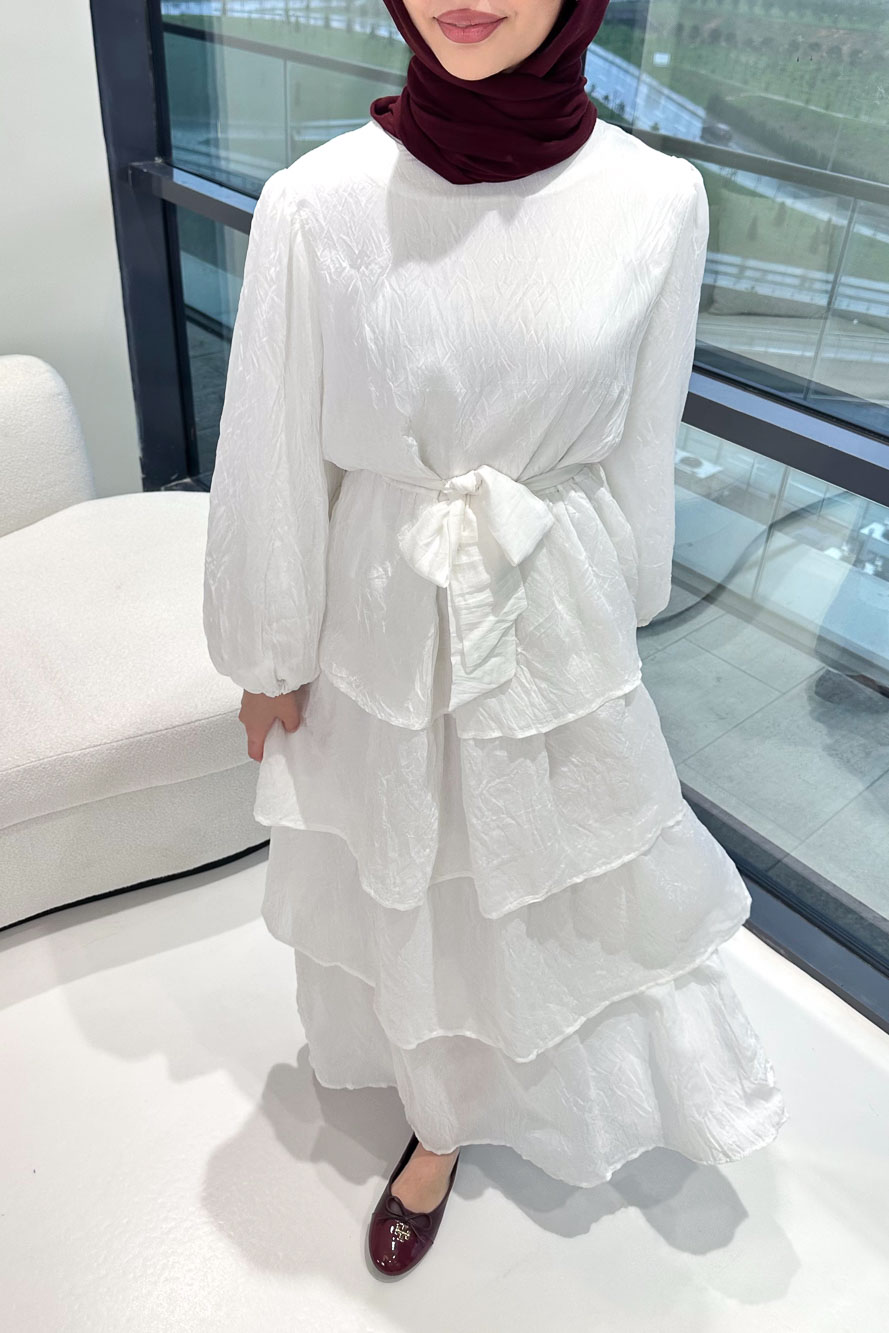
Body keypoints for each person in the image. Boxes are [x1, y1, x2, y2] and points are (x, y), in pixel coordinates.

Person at [202, 0, 789, 1279]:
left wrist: (623, 598)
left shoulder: (657, 200)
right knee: (411, 864)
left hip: (552, 598)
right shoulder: (317, 204)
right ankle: (437, 1114)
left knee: (559, 869)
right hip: (379, 604)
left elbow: (643, 434)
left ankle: (556, 1081)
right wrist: (265, 650)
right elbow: (272, 447)